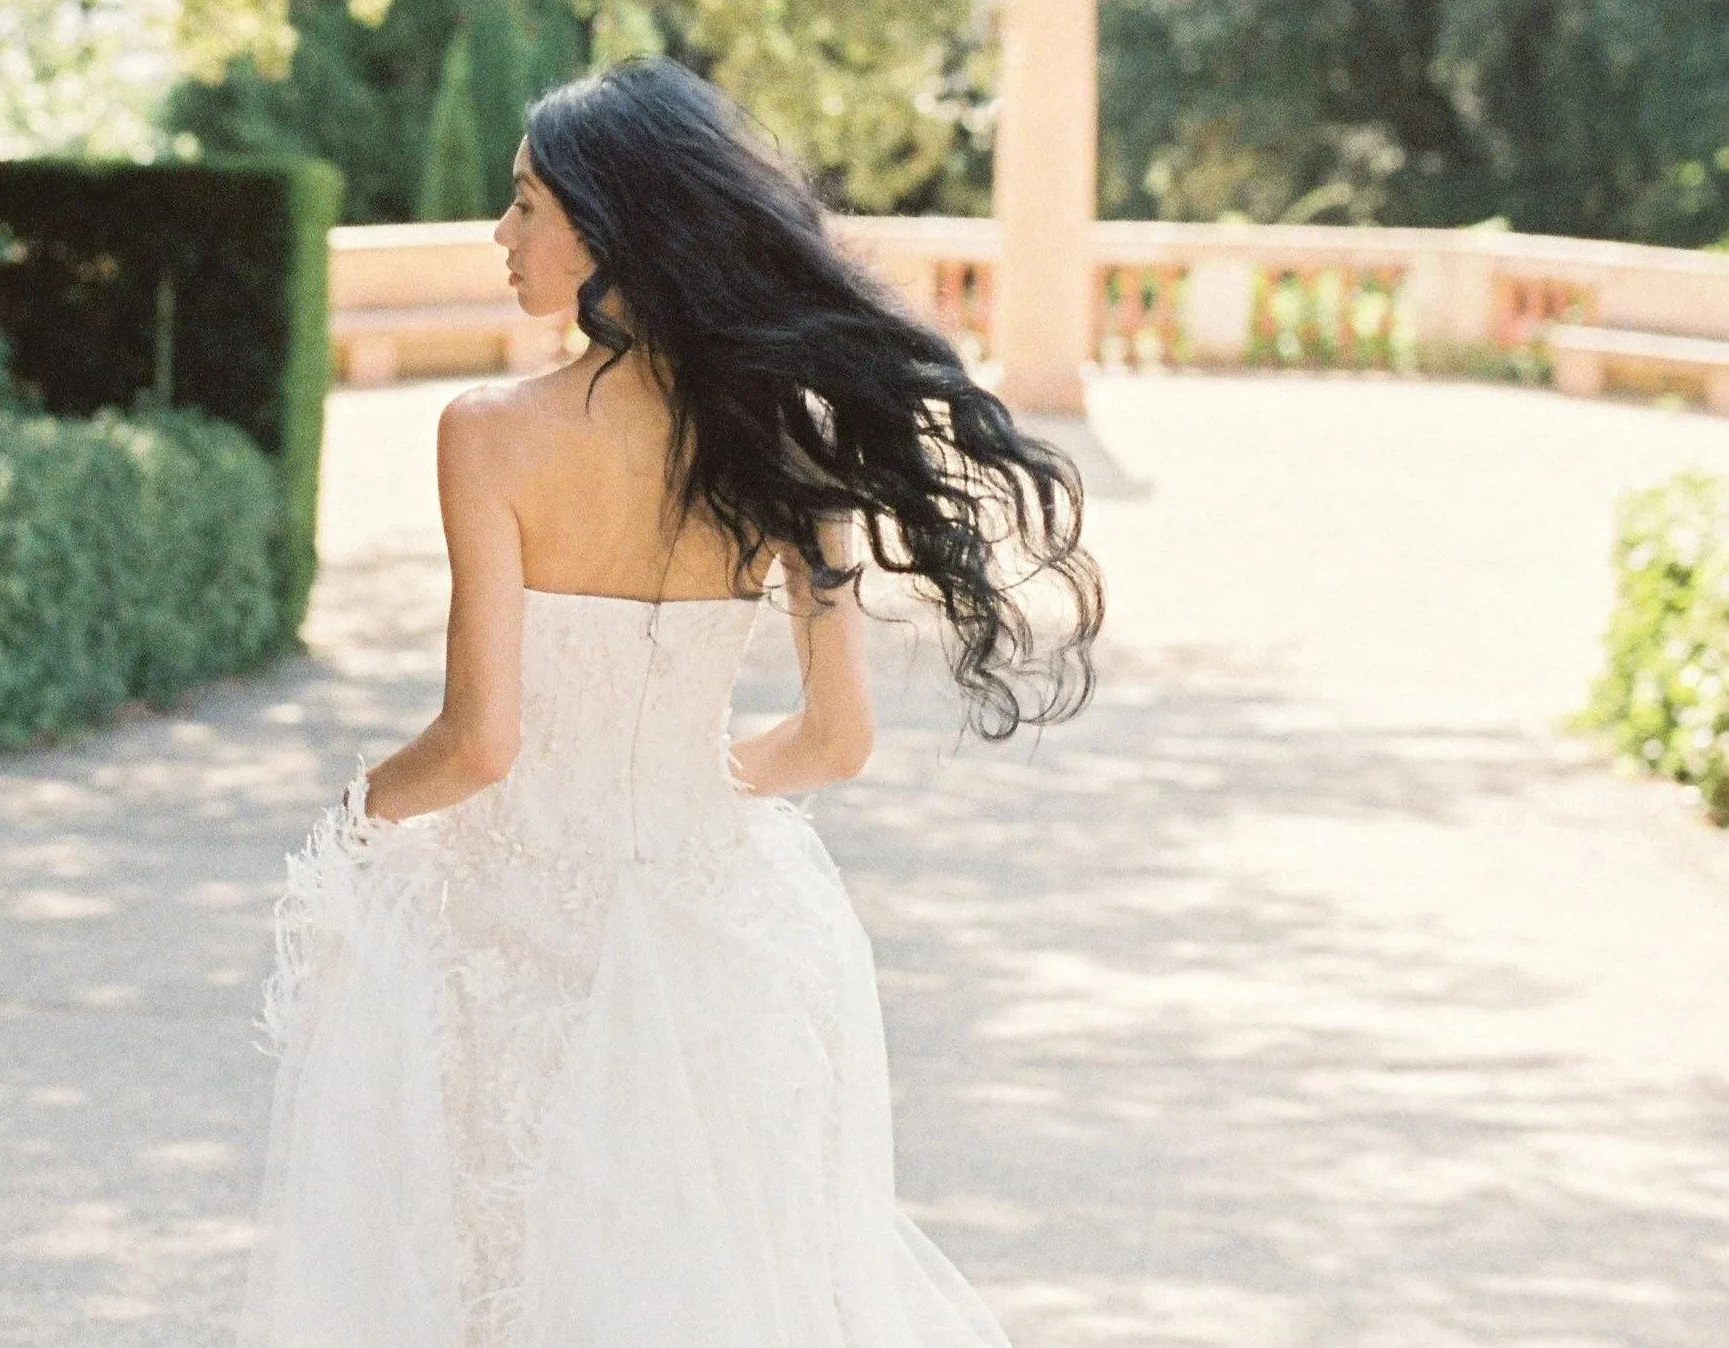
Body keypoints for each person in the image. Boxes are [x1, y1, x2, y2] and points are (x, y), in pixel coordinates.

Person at [240, 55, 1103, 1348]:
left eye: (529, 203)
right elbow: (835, 740)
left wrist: (358, 811)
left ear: (611, 224)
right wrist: (688, 791)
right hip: (730, 928)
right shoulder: (786, 441)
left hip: (525, 934)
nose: (501, 231)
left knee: (520, 1282)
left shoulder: (488, 433)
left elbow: (481, 746)